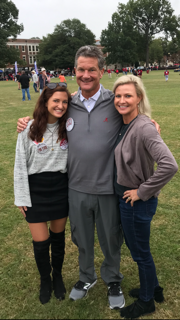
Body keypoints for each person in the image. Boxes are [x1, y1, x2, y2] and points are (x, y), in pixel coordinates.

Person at [16, 45, 160, 310]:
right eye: (81, 69)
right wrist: (25, 121)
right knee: (81, 238)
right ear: (75, 70)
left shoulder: (114, 101)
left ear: (101, 71)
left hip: (108, 186)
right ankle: (86, 277)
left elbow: (135, 115)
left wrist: (151, 122)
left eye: (91, 69)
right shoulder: (68, 103)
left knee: (110, 238)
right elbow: (46, 117)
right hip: (75, 186)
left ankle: (113, 279)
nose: (85, 74)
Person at [112, 75, 178, 319]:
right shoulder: (125, 123)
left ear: (139, 98)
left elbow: (169, 165)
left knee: (140, 253)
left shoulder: (143, 127)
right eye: (118, 96)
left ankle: (147, 301)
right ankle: (155, 287)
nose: (122, 100)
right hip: (126, 200)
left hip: (136, 203)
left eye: (128, 95)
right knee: (139, 249)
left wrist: (142, 191)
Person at [14, 82, 71, 305]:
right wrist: (21, 197)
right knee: (41, 242)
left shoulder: (69, 126)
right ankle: (44, 279)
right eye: (55, 101)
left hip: (60, 189)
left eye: (65, 101)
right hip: (36, 191)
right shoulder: (28, 128)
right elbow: (19, 164)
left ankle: (57, 276)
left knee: (58, 239)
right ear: (45, 102)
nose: (60, 105)